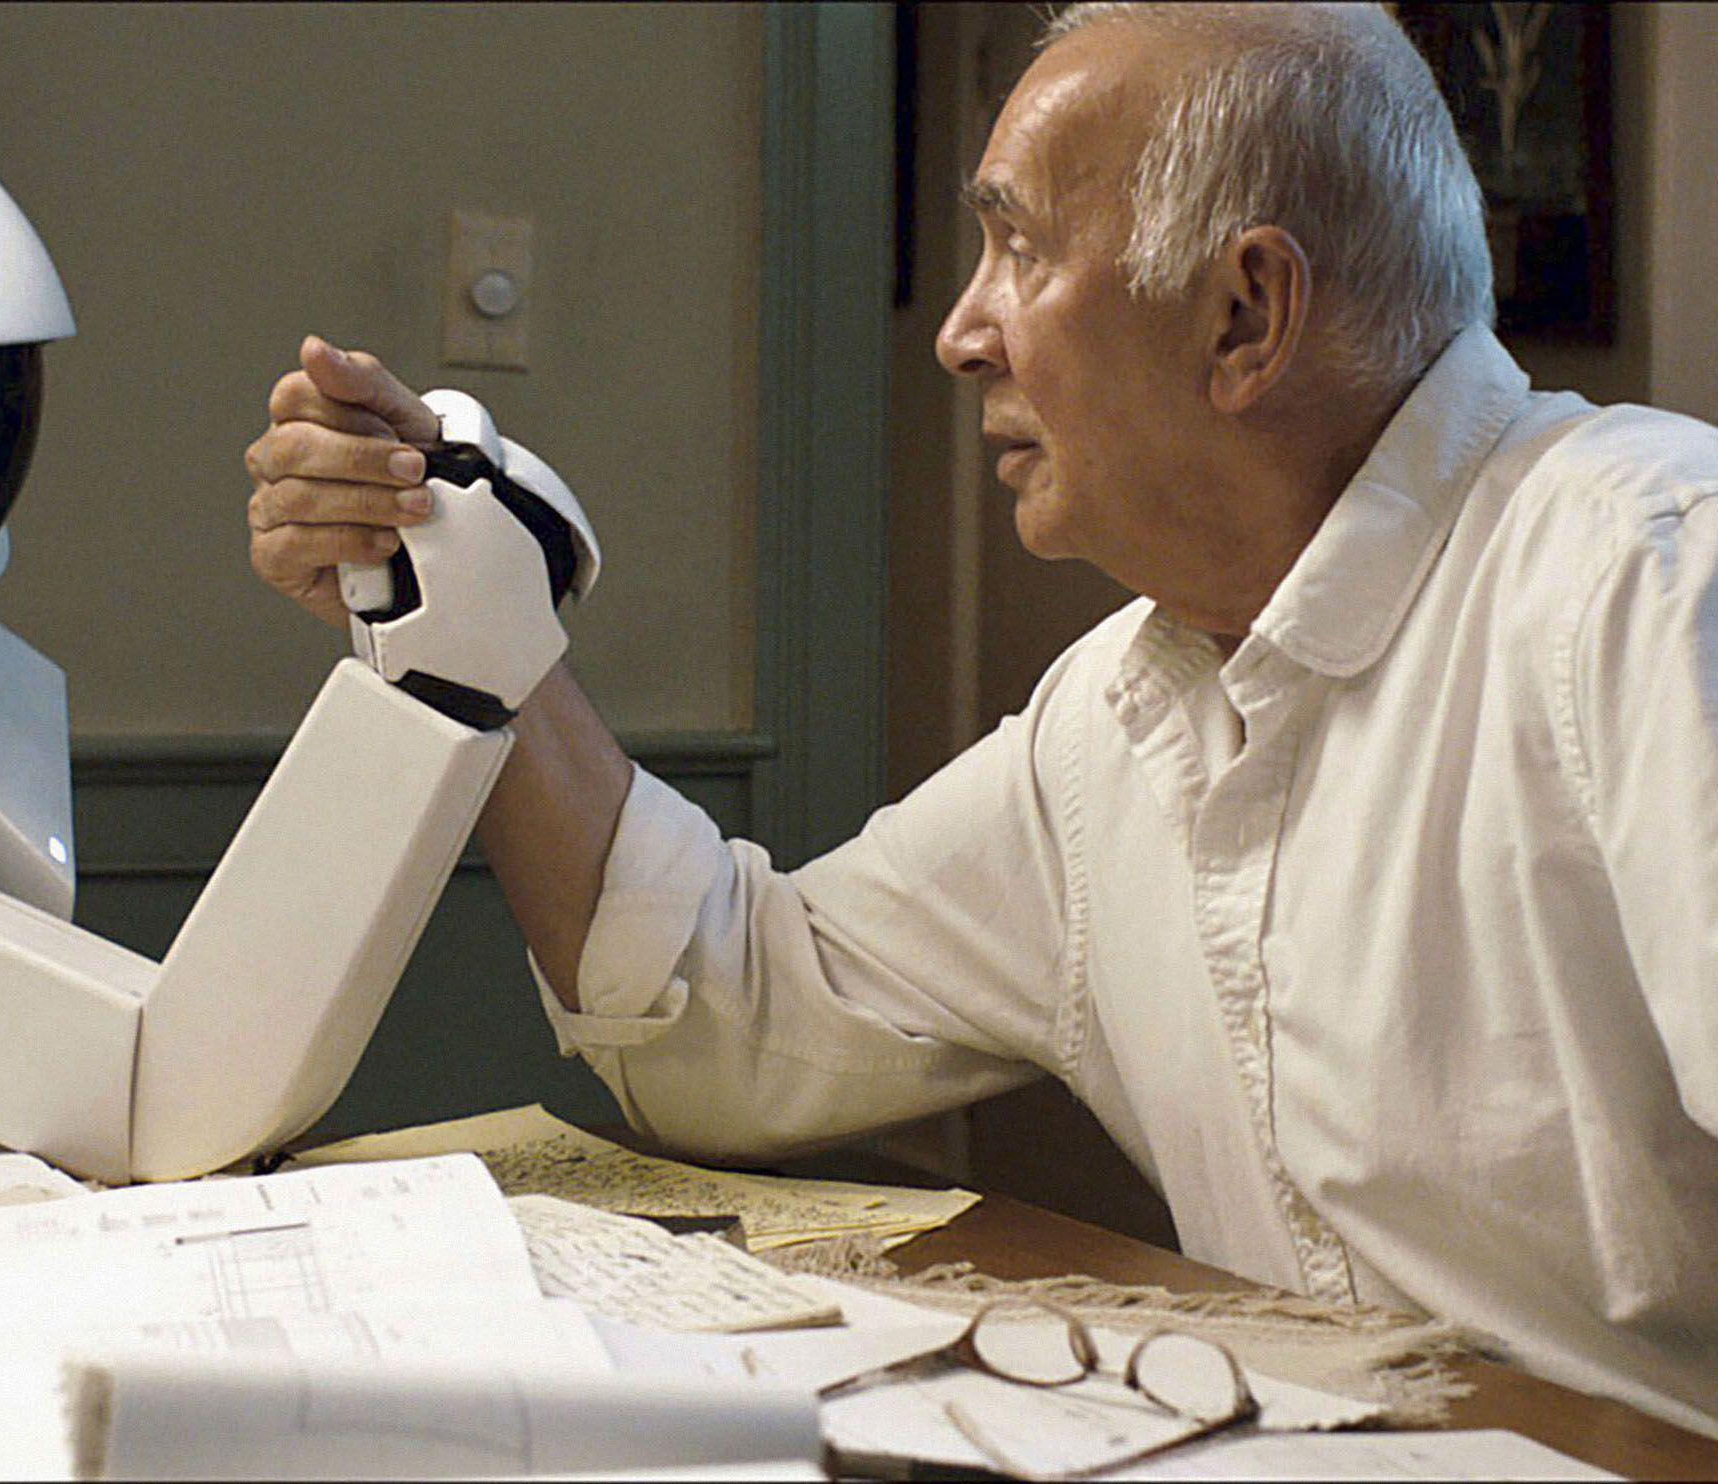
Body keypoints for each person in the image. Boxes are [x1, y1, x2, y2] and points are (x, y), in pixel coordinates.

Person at [242, 1, 1718, 1434]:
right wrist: (470, 617)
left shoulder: (1653, 574)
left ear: (1244, 314)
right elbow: (739, 1008)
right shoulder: (1121, 717)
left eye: (1017, 246)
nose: (959, 332)